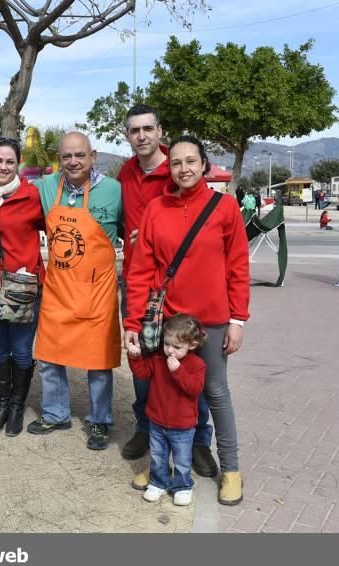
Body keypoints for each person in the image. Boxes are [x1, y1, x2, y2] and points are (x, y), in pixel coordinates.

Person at [125, 135, 250, 506]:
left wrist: (238, 319)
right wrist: (133, 322)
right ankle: (162, 467)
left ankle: (231, 469)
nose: (184, 168)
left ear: (204, 164)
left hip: (211, 321)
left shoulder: (225, 208)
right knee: (166, 393)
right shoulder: (156, 209)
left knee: (214, 392)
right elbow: (141, 270)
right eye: (177, 162)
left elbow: (238, 267)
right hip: (170, 322)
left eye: (191, 161)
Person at [116, 104, 215, 477]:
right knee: (144, 364)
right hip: (140, 282)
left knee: (186, 362)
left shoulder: (176, 170)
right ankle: (147, 428)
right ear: (127, 136)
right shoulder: (125, 173)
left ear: (160, 131)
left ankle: (198, 440)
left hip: (176, 286)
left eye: (148, 129)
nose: (141, 136)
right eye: (134, 130)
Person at [26, 131, 122, 451]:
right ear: (59, 159)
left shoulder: (113, 190)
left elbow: (139, 227)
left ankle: (99, 420)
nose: (73, 161)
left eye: (80, 155)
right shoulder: (45, 187)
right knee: (49, 356)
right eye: (67, 156)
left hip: (98, 291)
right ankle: (56, 413)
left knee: (98, 361)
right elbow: (11, 189)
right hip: (59, 289)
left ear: (93, 156)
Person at [0, 138, 45, 436]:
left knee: (22, 349)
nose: (3, 166)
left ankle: (17, 407)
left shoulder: (33, 195)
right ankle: (1, 405)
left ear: (18, 164)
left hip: (23, 285)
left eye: (9, 161)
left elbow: (52, 226)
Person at [127, 314, 207, 507]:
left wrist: (178, 371)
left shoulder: (197, 365)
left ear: (192, 345)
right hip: (157, 420)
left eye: (177, 347)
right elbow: (142, 373)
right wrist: (135, 357)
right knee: (158, 455)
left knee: (182, 459)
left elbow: (194, 389)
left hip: (183, 425)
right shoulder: (158, 358)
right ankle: (159, 482)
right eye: (167, 344)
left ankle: (182, 486)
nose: (170, 350)